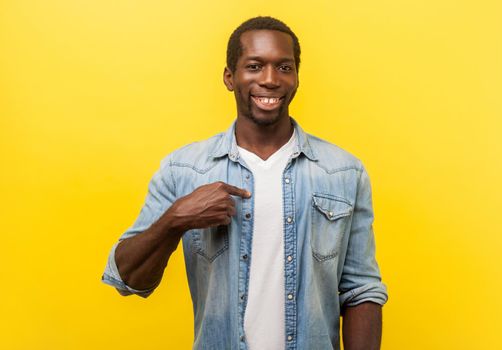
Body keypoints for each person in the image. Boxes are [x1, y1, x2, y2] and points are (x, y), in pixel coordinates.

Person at [102, 16, 388, 350]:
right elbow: (126, 279)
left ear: (296, 77)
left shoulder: (343, 172)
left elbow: (361, 290)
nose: (270, 80)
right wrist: (176, 219)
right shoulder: (183, 169)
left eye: (284, 67)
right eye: (254, 66)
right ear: (229, 77)